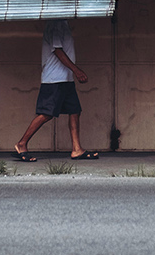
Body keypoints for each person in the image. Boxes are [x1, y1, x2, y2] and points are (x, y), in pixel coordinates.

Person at [15, 18, 99, 161]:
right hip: (54, 79)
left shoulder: (63, 22)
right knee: (46, 114)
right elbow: (58, 51)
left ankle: (77, 149)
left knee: (74, 111)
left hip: (65, 79)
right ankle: (22, 144)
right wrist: (76, 70)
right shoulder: (55, 23)